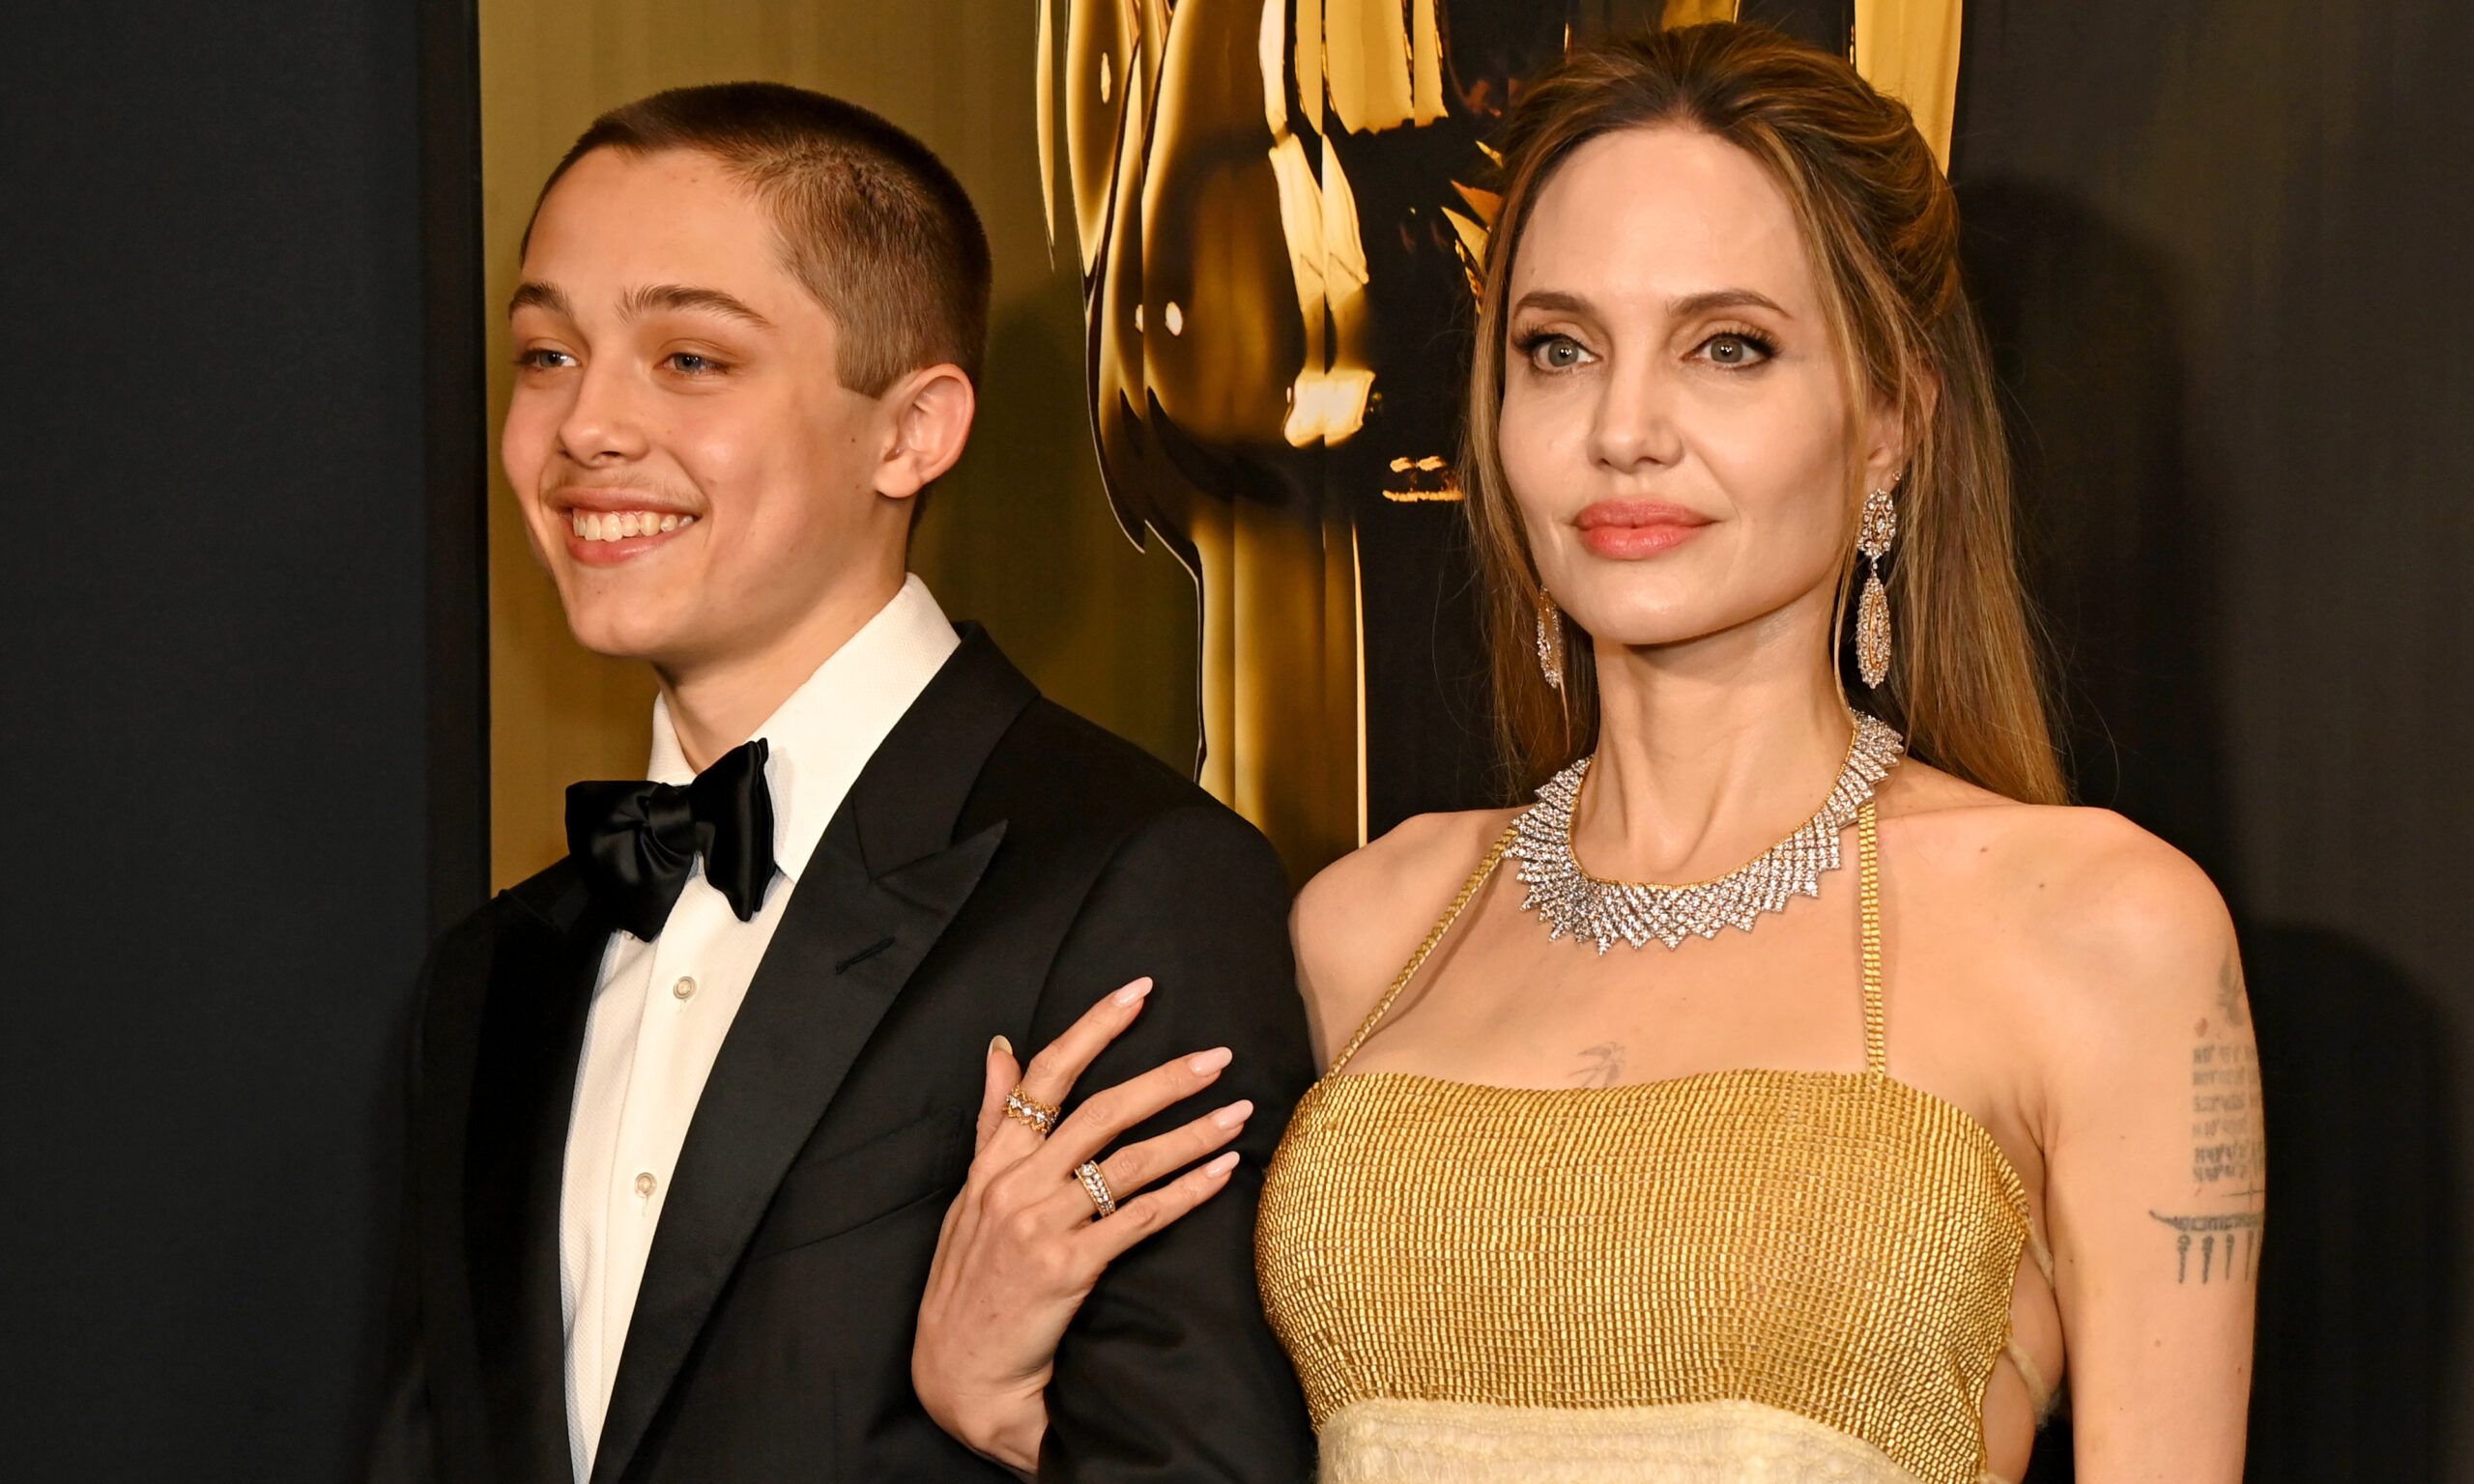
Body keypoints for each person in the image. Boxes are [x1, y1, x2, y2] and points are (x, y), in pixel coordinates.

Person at [911, 23, 2259, 1484]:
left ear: (1890, 422)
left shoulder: (2095, 930)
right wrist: (1009, 1408)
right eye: (1559, 349)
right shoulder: (1369, 924)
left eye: (1727, 348)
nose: (1624, 429)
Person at [367, 83, 1316, 1484]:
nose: (585, 427)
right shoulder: (490, 975)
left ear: (912, 431)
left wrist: (992, 1395)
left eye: (689, 359)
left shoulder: (1134, 887)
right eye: (547, 353)